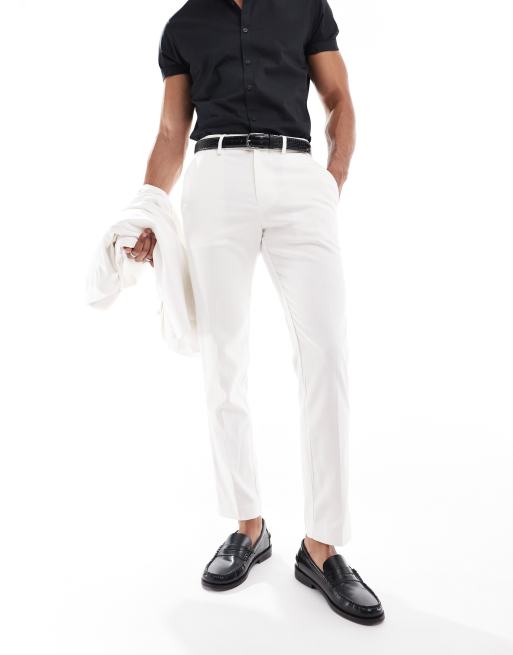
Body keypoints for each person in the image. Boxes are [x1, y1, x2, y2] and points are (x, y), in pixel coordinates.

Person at [123, 0, 384, 624]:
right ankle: (248, 526)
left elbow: (338, 98)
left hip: (298, 178)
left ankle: (322, 547)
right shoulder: (183, 26)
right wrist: (148, 209)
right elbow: (171, 134)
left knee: (327, 355)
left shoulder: (306, 7)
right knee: (224, 357)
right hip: (215, 180)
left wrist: (333, 179)